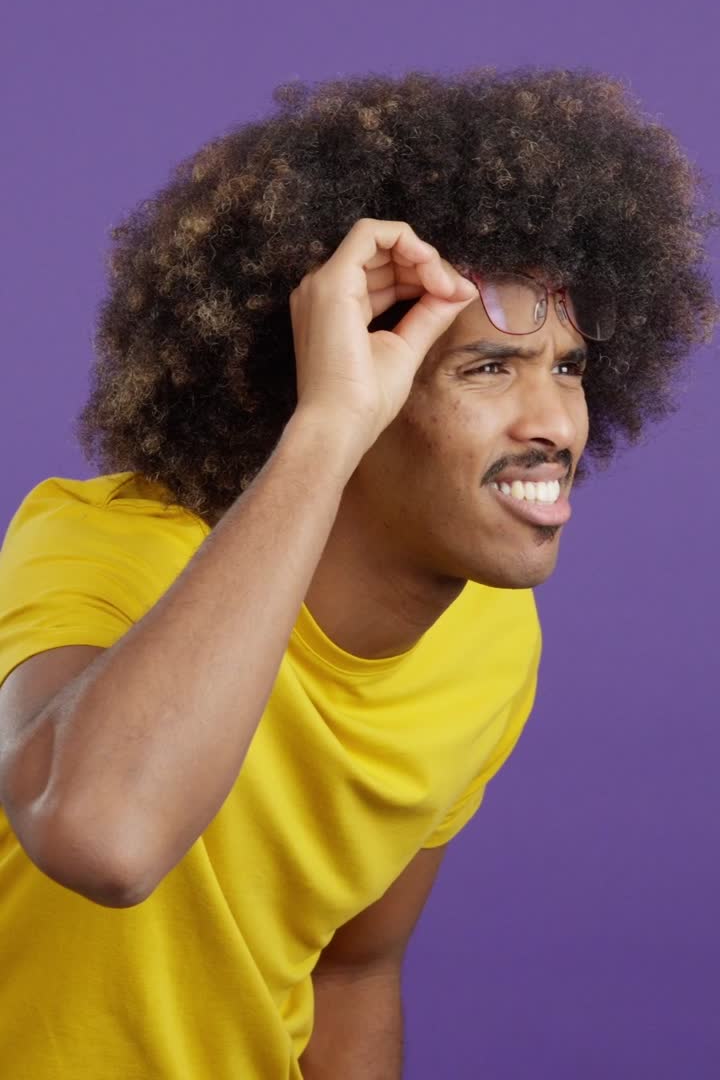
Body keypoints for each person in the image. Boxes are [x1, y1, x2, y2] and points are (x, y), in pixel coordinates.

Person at [0, 67, 716, 1079]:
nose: (557, 425)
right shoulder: (106, 545)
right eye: (488, 367)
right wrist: (326, 424)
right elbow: (104, 837)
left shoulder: (491, 641)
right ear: (346, 382)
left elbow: (354, 973)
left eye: (568, 366)